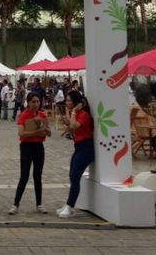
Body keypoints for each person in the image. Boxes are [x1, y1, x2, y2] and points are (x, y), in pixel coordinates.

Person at [9, 93, 51, 215]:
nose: (36, 104)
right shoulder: (23, 115)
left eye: (38, 101)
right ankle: (15, 204)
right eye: (33, 101)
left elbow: (48, 133)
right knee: (24, 176)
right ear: (28, 102)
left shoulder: (42, 115)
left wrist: (42, 125)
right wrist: (37, 131)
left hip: (39, 147)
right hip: (26, 147)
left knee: (38, 176)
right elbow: (22, 133)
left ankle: (39, 204)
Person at [57, 91, 94, 219]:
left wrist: (73, 113)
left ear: (76, 103)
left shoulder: (83, 114)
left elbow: (74, 126)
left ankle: (70, 206)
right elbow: (71, 127)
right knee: (72, 176)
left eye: (68, 100)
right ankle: (69, 204)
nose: (66, 103)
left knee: (75, 176)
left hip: (86, 148)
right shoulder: (77, 113)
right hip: (78, 147)